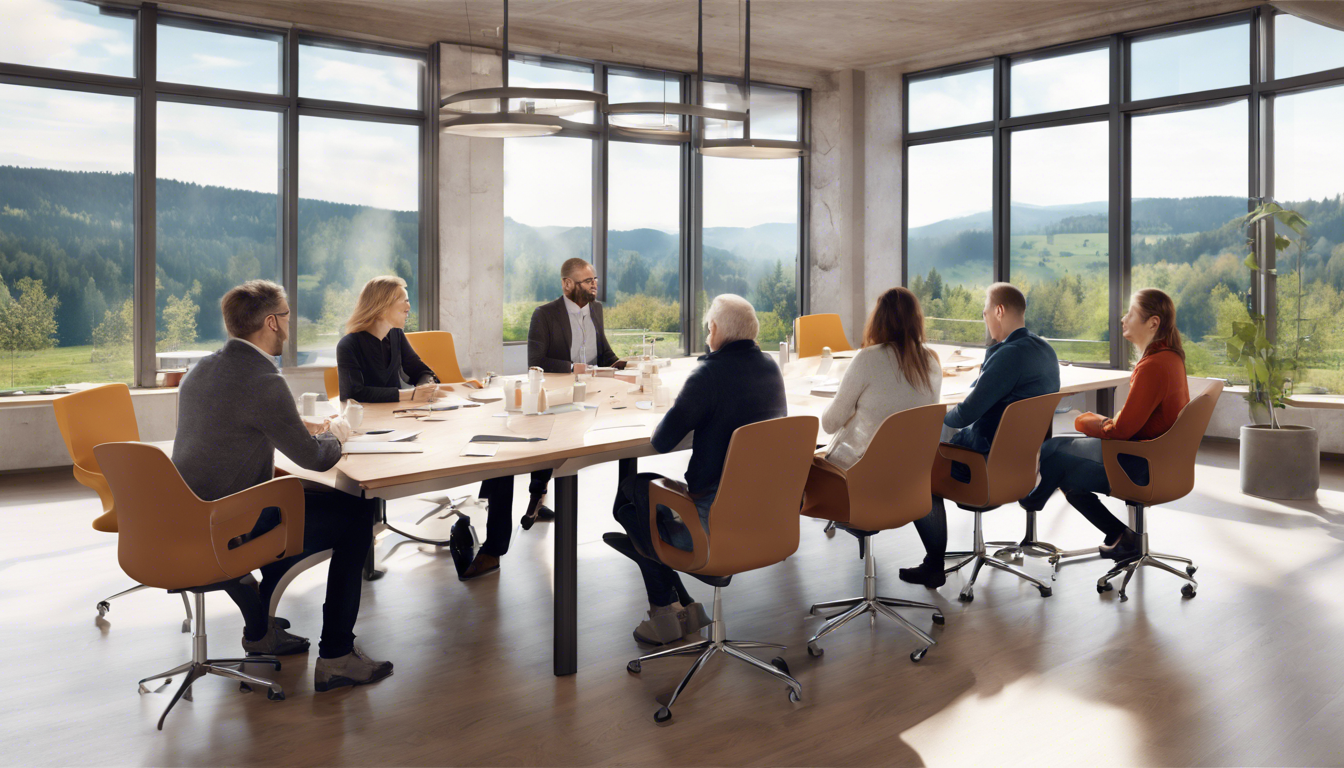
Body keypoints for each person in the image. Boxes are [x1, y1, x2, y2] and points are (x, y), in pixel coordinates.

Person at [172, 280, 392, 692]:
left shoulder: (202, 368)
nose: (291, 324)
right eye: (288, 316)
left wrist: (298, 425)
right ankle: (337, 657)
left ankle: (260, 630)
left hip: (187, 513)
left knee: (315, 497)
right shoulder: (263, 381)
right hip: (231, 524)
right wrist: (340, 431)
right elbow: (316, 458)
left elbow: (233, 428)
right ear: (272, 322)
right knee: (358, 513)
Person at [604, 294, 787, 646]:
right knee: (637, 506)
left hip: (712, 523)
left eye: (707, 328)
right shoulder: (770, 367)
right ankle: (680, 602)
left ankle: (664, 606)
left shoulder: (709, 373)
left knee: (629, 497)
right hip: (766, 517)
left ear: (715, 329)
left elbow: (662, 441)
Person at [456, 258, 631, 580]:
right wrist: (572, 368)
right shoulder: (545, 314)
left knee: (624, 438)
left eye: (595, 279)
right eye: (587, 280)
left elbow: (603, 354)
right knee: (511, 453)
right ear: (567, 284)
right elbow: (536, 361)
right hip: (555, 394)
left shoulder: (597, 310)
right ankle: (496, 546)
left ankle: (545, 498)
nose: (594, 284)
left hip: (595, 393)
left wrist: (622, 363)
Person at [899, 282, 1061, 588]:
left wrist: (933, 419)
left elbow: (966, 413)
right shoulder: (1045, 351)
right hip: (1019, 468)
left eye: (985, 311)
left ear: (999, 311)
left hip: (981, 466)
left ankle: (933, 565)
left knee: (919, 467)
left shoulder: (1008, 355)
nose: (984, 317)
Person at [1020, 289, 1189, 561]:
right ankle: (1121, 537)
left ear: (1153, 323)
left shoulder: (1154, 366)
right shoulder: (1171, 358)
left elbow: (1120, 431)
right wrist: (1095, 422)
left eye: (1131, 313)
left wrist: (1083, 419)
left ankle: (1031, 500)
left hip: (1138, 464)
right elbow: (1132, 423)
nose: (1123, 319)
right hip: (1158, 460)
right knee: (1061, 457)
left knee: (1053, 451)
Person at [820, 287, 942, 470]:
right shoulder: (931, 363)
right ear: (917, 320)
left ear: (878, 321)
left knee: (804, 466)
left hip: (860, 475)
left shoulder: (868, 359)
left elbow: (829, 424)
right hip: (909, 476)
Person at [335, 275, 443, 404]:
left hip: (398, 413)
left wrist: (426, 386)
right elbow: (354, 393)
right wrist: (411, 394)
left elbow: (420, 370)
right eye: (405, 300)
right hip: (368, 419)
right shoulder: (348, 345)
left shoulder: (396, 335)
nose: (408, 306)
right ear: (383, 306)